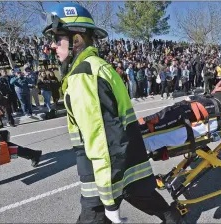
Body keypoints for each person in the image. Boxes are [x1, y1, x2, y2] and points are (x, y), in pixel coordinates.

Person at [41, 3, 185, 224]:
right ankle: (174, 218)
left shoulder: (84, 76)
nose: (52, 46)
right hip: (126, 157)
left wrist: (109, 204)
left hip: (102, 171)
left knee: (94, 217)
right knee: (143, 195)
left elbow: (102, 142)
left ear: (76, 40)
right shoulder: (99, 67)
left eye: (56, 38)